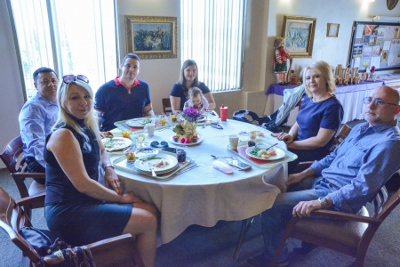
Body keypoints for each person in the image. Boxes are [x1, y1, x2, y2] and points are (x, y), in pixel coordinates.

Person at [246, 85, 400, 267]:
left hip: (337, 199)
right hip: (322, 182)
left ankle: (276, 260)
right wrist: (303, 174)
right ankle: (307, 241)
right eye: (369, 99)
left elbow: (361, 187)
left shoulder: (390, 144)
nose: (371, 106)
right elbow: (332, 157)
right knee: (272, 187)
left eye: (379, 102)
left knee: (271, 205)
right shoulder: (360, 129)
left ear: (396, 110)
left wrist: (321, 202)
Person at [45, 75, 157, 267]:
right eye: (75, 98)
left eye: (87, 96)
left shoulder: (85, 123)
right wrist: (119, 198)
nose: (83, 102)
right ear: (63, 101)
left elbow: (103, 150)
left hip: (87, 200)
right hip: (69, 212)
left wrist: (109, 168)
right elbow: (83, 185)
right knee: (148, 221)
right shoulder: (64, 134)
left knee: (150, 209)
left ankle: (132, 256)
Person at [272, 61, 344, 174]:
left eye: (316, 76)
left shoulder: (333, 107)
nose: (311, 81)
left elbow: (320, 141)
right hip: (297, 146)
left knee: (273, 163)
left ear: (326, 78)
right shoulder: (308, 99)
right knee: (267, 150)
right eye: (308, 78)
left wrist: (291, 145)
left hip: (312, 155)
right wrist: (289, 136)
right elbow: (298, 123)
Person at [18, 67, 59, 183]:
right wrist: (54, 168)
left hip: (55, 150)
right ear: (36, 85)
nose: (51, 84)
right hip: (39, 161)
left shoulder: (57, 101)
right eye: (45, 81)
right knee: (84, 172)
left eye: (53, 80)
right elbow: (36, 145)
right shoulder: (33, 108)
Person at [95, 53, 154, 131]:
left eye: (135, 67)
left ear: (138, 70)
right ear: (121, 66)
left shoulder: (144, 87)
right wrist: (96, 135)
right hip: (112, 133)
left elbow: (148, 110)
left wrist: (152, 126)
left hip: (138, 132)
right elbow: (96, 116)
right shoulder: (104, 89)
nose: (131, 69)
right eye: (128, 66)